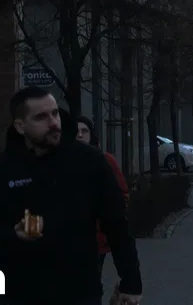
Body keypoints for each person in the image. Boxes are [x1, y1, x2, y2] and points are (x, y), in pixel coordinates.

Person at [0, 87, 142, 305]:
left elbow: (116, 224)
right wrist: (12, 236)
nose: (52, 123)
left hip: (80, 293)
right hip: (20, 294)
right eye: (41, 117)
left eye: (55, 113)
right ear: (20, 126)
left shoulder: (89, 162)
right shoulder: (1, 170)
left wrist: (131, 282)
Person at [75, 115, 129, 273]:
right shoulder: (61, 162)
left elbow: (123, 194)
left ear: (91, 135)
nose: (79, 135)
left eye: (84, 131)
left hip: (97, 239)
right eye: (75, 132)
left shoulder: (105, 160)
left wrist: (109, 224)